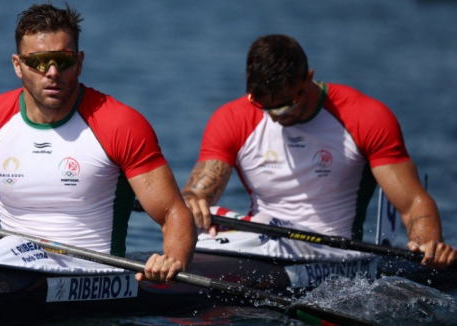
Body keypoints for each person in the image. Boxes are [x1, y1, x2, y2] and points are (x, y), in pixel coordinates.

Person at [0, 3, 196, 283]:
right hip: (12, 271)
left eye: (64, 60)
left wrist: (172, 261)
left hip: (95, 278)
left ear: (80, 62)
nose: (52, 72)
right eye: (38, 62)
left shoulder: (120, 124)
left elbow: (174, 213)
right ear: (18, 65)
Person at [182, 34, 455, 268]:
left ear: (308, 79)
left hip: (333, 253)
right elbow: (198, 192)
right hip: (262, 237)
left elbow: (412, 204)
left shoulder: (365, 117)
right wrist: (192, 200)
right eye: (263, 106)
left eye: (284, 106)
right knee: (197, 215)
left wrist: (427, 247)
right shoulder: (231, 118)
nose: (274, 116)